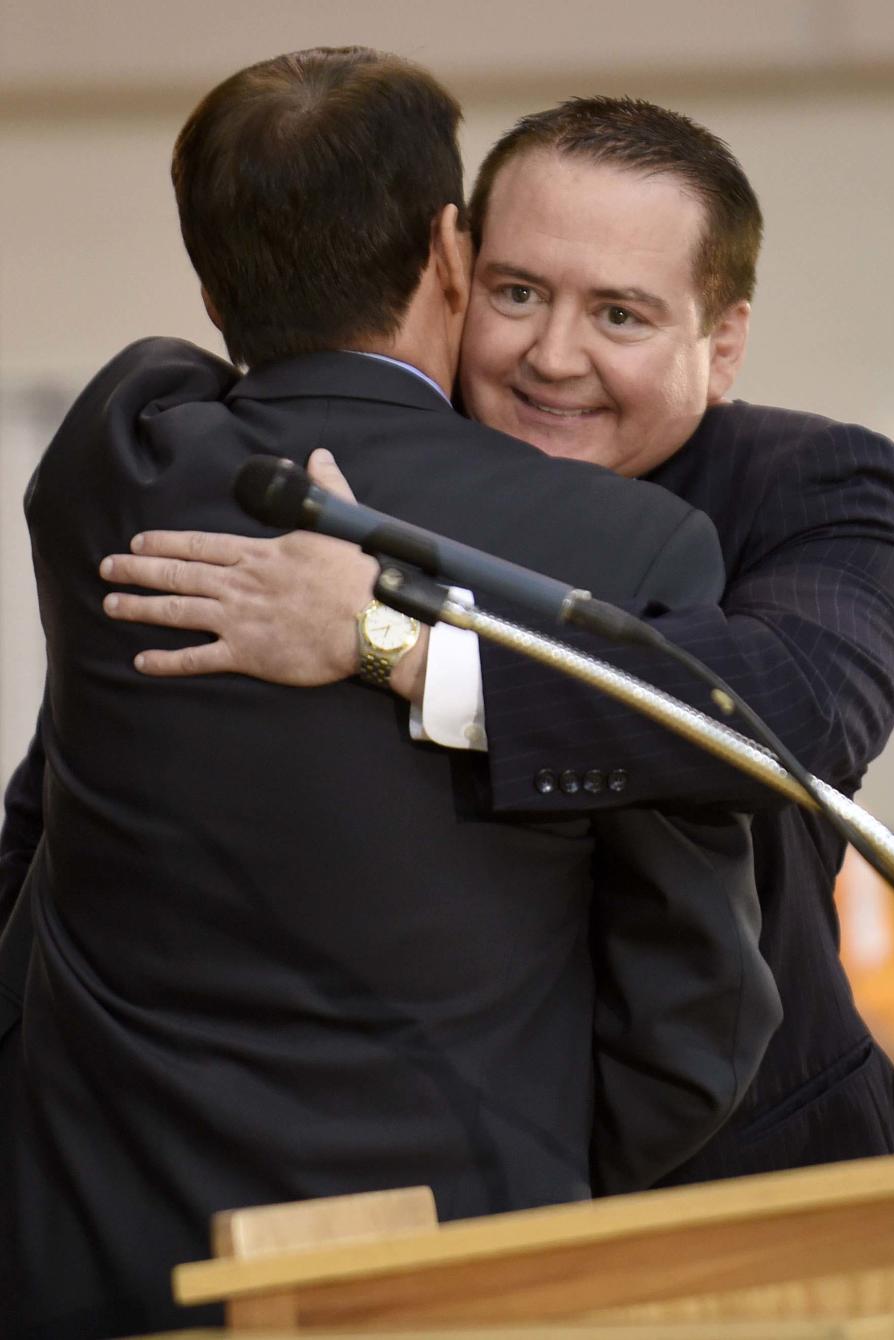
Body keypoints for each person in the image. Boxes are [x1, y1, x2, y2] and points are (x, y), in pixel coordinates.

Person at [0, 50, 779, 1340]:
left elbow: (169, 368)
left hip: (91, 1249)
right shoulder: (621, 547)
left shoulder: (112, 455)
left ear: (207, 280)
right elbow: (690, 1007)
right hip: (451, 1265)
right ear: (450, 250)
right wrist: (538, 1173)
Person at [86, 95, 894, 1180]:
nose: (552, 356)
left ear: (721, 345)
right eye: (518, 293)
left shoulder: (812, 479)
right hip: (431, 1168)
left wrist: (392, 647)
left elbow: (800, 708)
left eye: (619, 315)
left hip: (757, 1165)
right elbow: (77, 791)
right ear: (452, 273)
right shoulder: (361, 472)